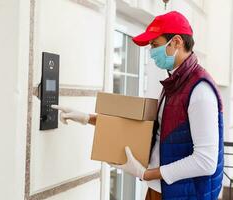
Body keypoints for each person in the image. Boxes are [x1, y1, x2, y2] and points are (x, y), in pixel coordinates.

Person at [52, 11, 223, 200]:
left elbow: (206, 161)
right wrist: (88, 118)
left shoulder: (200, 90)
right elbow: (145, 130)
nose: (152, 52)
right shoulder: (174, 85)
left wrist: (145, 173)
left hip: (184, 195)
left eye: (155, 45)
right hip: (161, 190)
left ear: (176, 42)